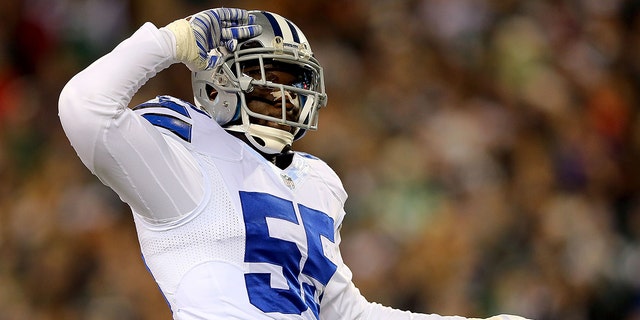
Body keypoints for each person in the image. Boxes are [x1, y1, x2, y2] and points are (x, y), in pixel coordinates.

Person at [58, 7, 531, 320]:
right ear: (216, 86)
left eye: (294, 82)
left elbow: (349, 314)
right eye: (267, 81)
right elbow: (85, 106)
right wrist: (172, 41)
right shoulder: (182, 154)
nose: (285, 98)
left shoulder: (315, 180)